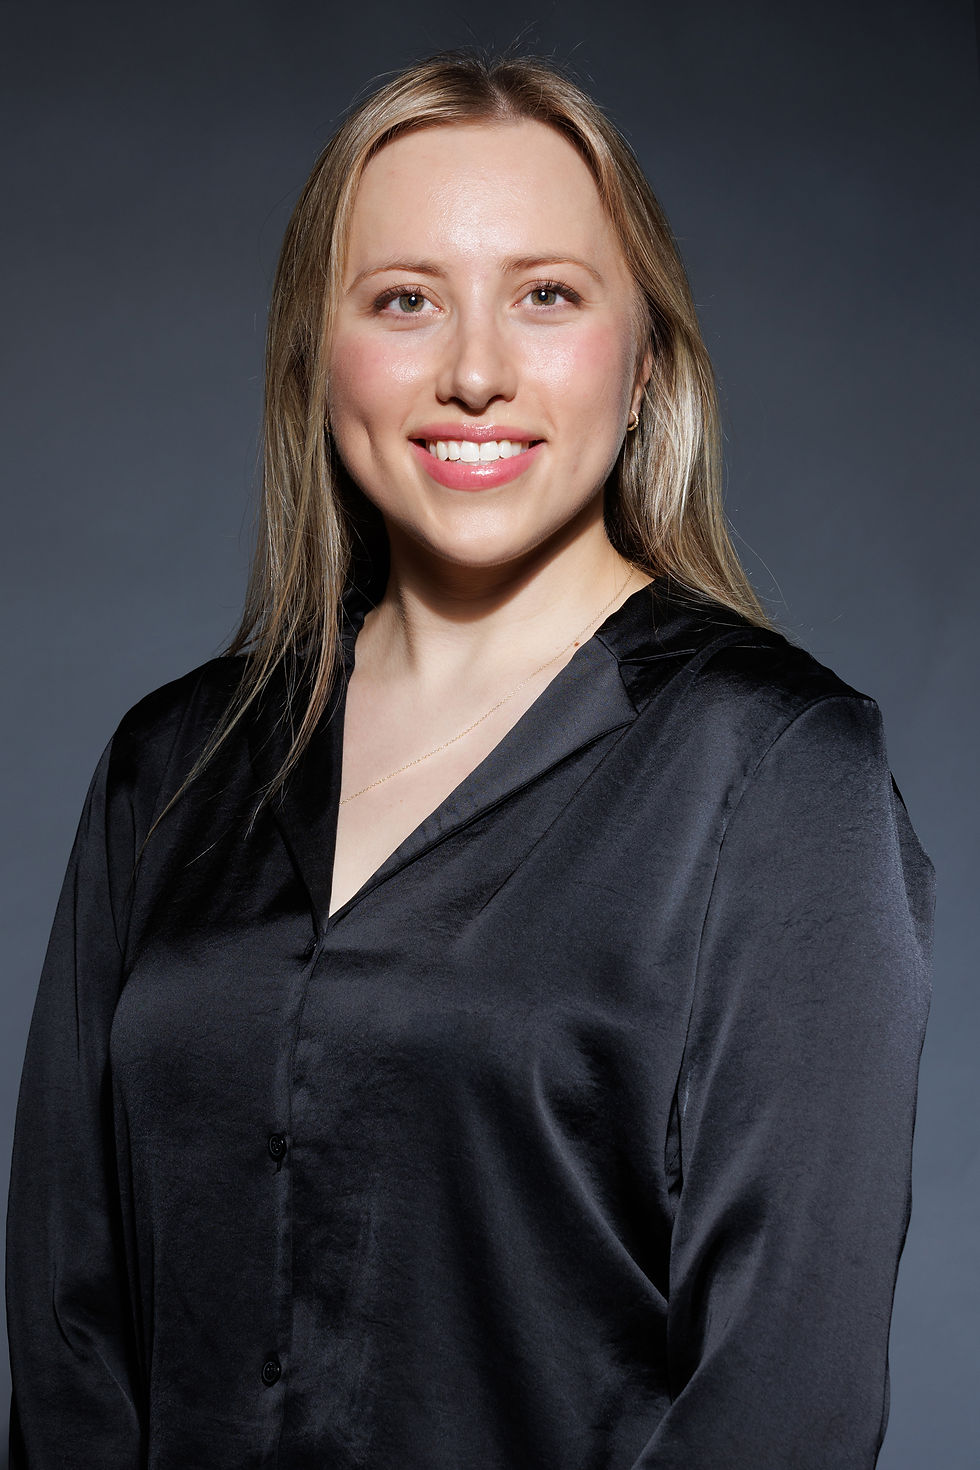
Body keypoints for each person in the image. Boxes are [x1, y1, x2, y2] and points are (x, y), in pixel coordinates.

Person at [6, 48, 934, 1470]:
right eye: (405, 300)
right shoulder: (170, 766)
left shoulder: (779, 771)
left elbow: (782, 1403)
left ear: (646, 363)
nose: (478, 372)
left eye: (547, 296)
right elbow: (69, 1324)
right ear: (320, 360)